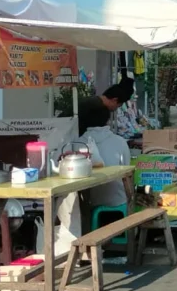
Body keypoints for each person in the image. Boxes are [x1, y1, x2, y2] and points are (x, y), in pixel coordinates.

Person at [54, 101, 130, 258]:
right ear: (107, 120)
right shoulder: (120, 142)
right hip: (116, 198)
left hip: (88, 201)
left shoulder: (77, 143)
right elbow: (127, 170)